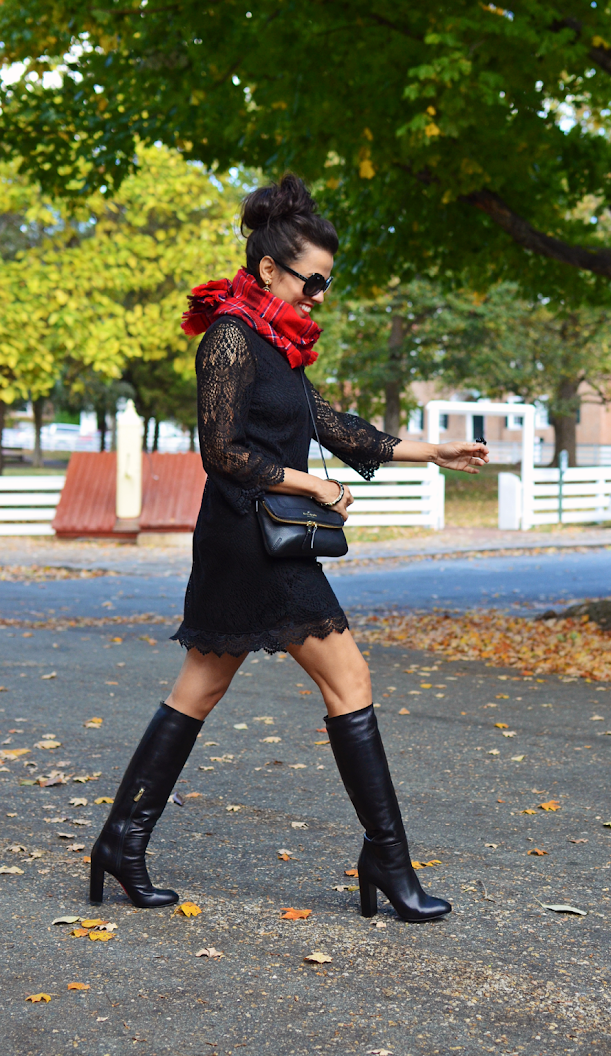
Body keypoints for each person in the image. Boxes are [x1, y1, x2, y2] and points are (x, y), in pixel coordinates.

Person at [90, 174, 489, 922]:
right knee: (349, 676)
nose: (319, 295)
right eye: (312, 280)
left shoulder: (279, 344)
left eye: (327, 284)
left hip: (255, 536)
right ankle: (388, 862)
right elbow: (221, 450)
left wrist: (429, 451)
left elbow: (330, 423)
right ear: (270, 269)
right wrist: (310, 486)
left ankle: (122, 839)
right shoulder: (233, 336)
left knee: (200, 688)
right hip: (249, 536)